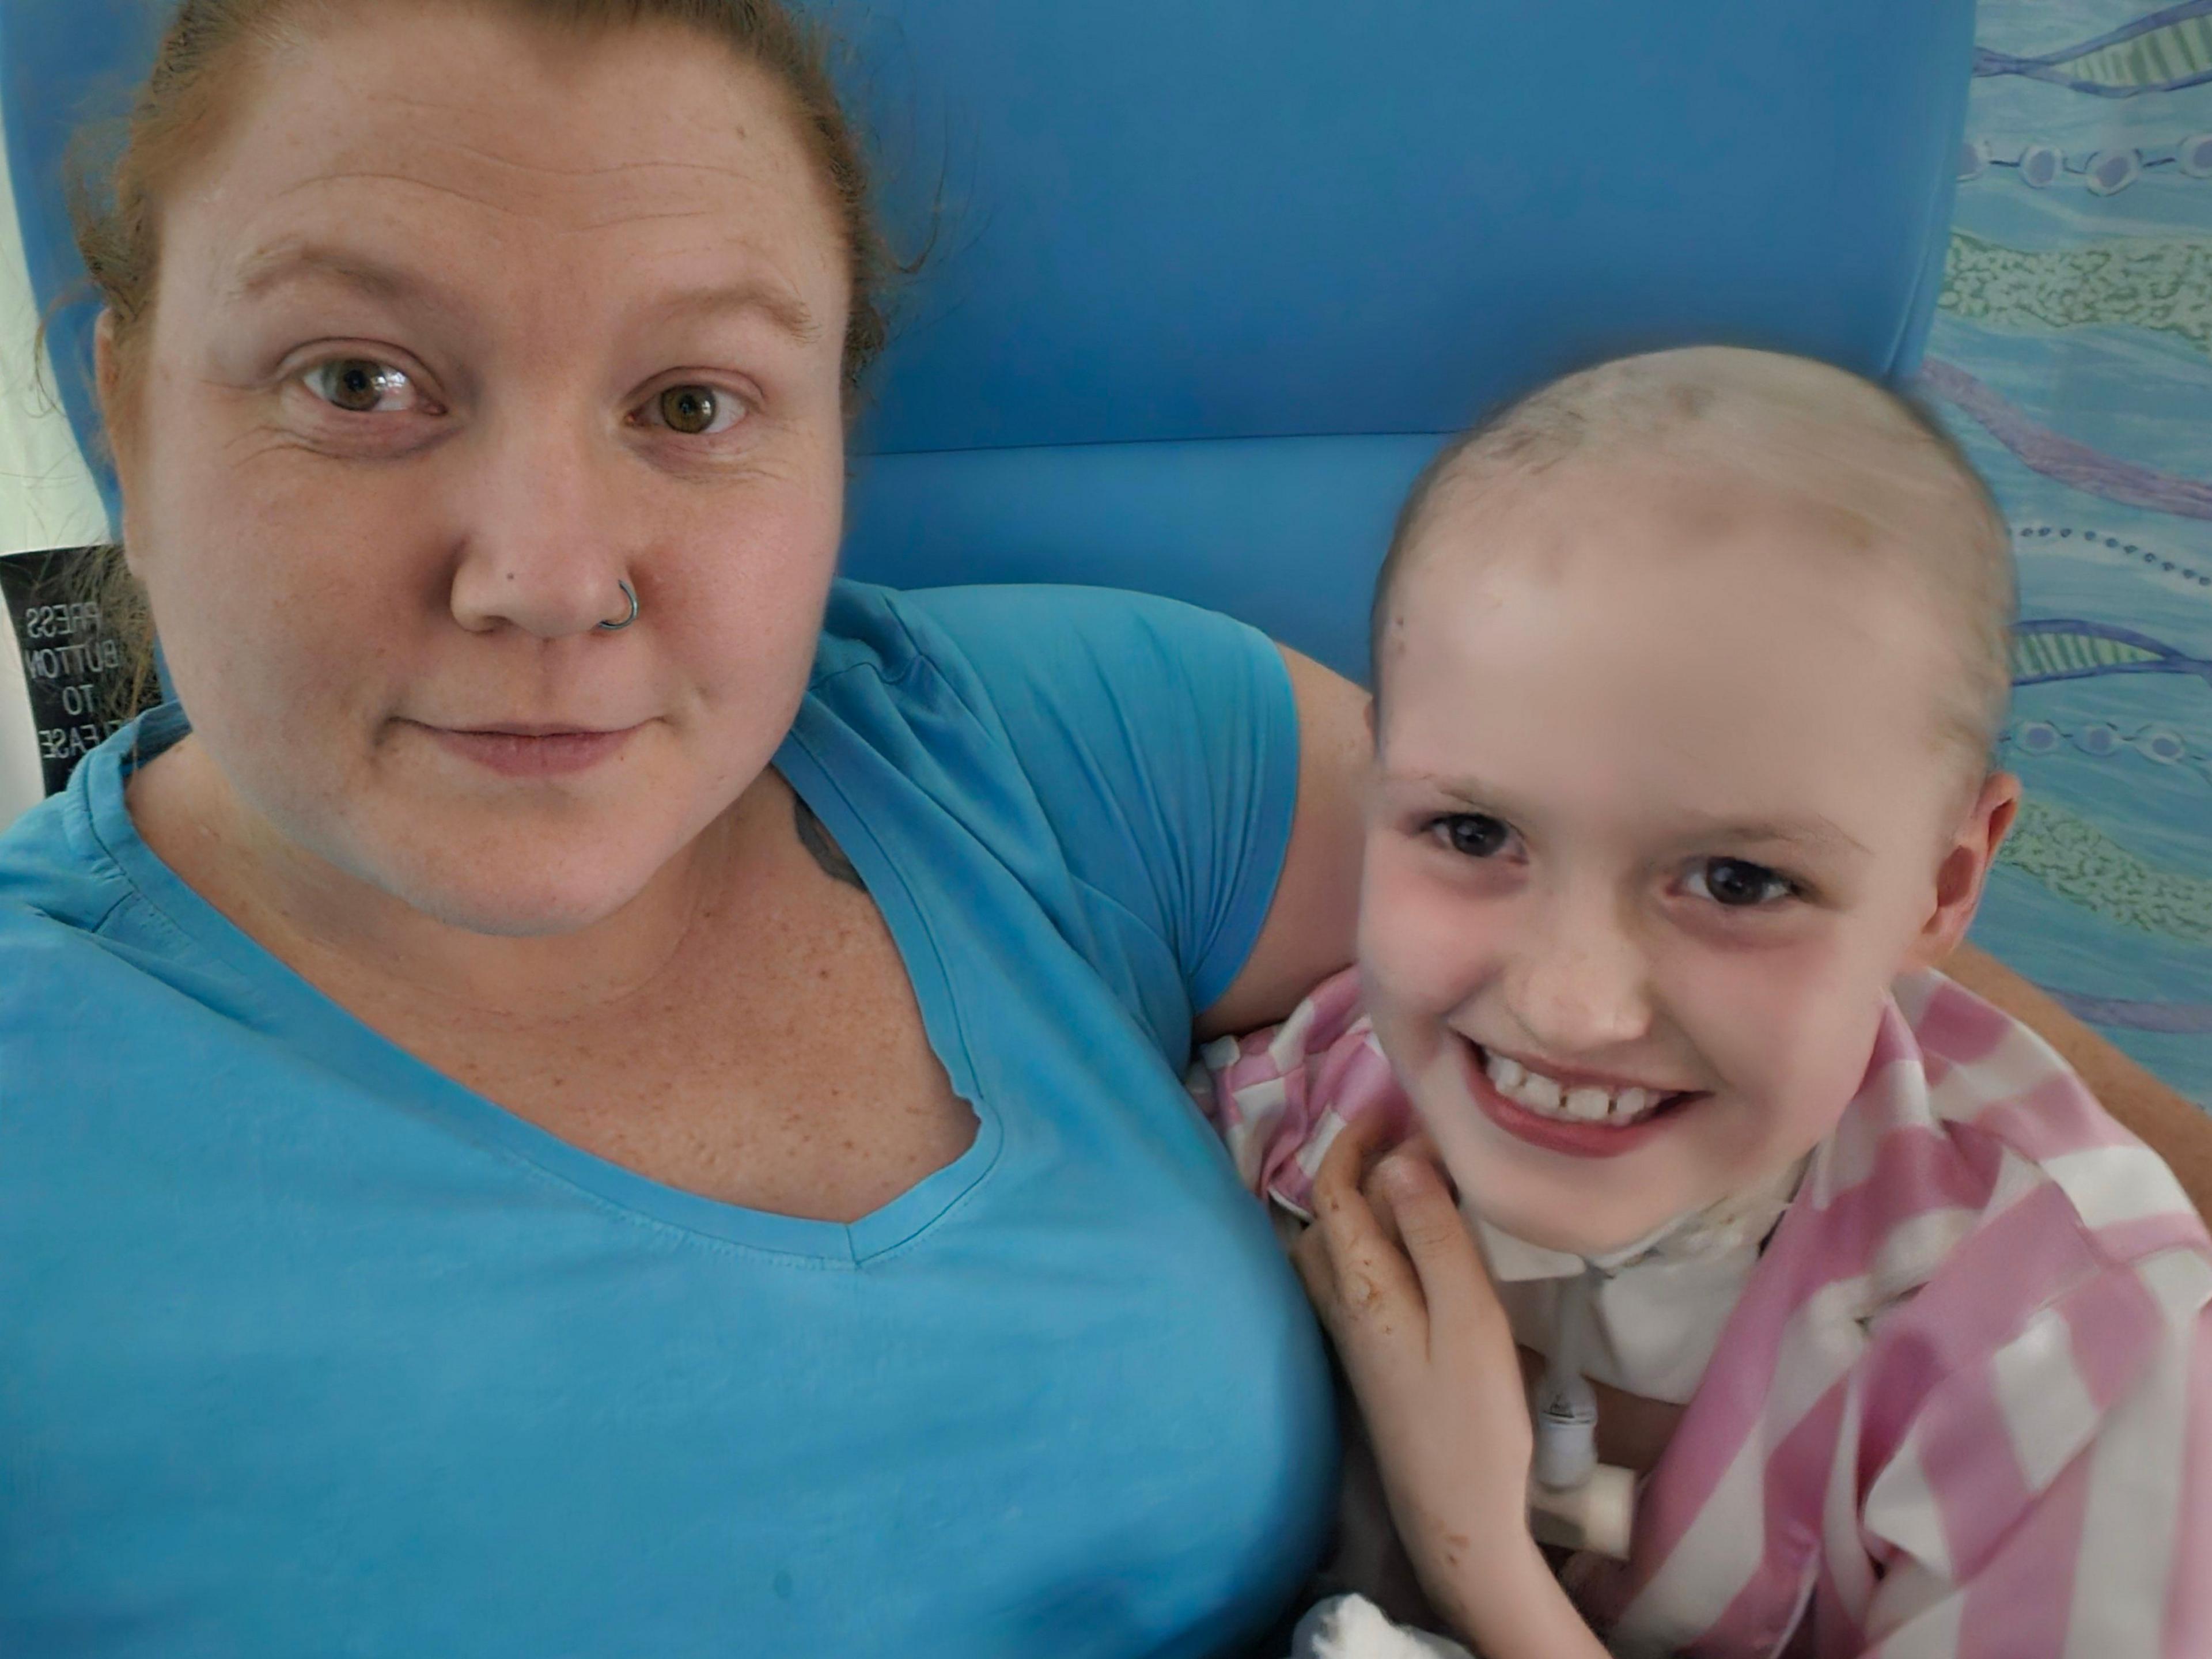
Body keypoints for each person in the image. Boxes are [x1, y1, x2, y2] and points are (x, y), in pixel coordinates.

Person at [0, 3, 2201, 1653]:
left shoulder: (1043, 748)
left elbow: (1759, 915)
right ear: (123, 399)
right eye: (358, 381)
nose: (550, 575)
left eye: (694, 405)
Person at [1195, 349, 2212, 1658]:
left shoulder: (2073, 1355)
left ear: (1943, 884)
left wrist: (1485, 1570)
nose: (1568, 1006)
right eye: (1472, 831)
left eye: (1738, 880)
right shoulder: (1303, 1118)